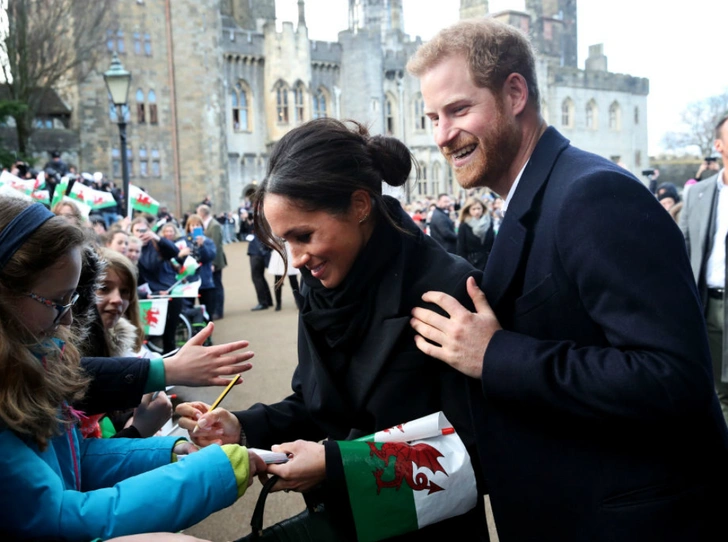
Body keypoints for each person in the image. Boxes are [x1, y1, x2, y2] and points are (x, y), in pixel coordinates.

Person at [406, 18, 728, 541]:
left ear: (515, 93)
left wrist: (495, 355)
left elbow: (674, 379)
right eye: (432, 117)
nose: (442, 135)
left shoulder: (593, 195)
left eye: (459, 109)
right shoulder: (534, 195)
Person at [176, 118, 488, 540]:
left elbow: (475, 453)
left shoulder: (448, 288)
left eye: (303, 235)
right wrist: (243, 426)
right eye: (285, 241)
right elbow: (317, 402)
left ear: (360, 206)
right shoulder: (321, 283)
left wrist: (334, 464)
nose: (296, 258)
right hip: (342, 517)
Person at [0, 198, 265, 540]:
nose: (67, 318)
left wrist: (170, 453)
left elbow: (76, 460)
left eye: (72, 301)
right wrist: (214, 472)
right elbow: (58, 519)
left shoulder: (32, 357)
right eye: (56, 301)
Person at [679, 114, 728, 426]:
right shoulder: (697, 194)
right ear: (719, 145)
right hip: (709, 306)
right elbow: (682, 252)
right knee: (718, 392)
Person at [182, 214, 217, 315]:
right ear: (188, 227)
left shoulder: (208, 241)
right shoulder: (183, 241)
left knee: (208, 310)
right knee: (188, 310)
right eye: (192, 225)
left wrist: (202, 246)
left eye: (198, 225)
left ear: (202, 226)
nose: (195, 227)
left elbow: (210, 256)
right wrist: (181, 254)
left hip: (205, 280)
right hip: (188, 281)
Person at [197, 204, 227, 320]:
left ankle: (218, 311)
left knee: (217, 286)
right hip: (211, 261)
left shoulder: (214, 225)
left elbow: (216, 245)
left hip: (215, 262)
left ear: (202, 213)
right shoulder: (208, 224)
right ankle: (214, 309)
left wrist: (213, 263)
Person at [456, 196, 495, 271]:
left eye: (479, 208)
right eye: (473, 209)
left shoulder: (489, 222)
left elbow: (493, 243)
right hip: (472, 263)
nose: (477, 211)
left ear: (482, 209)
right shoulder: (464, 225)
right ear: (468, 210)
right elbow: (460, 247)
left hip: (489, 263)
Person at [265, 239, 300, 311]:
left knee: (293, 281)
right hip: (278, 255)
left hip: (290, 254)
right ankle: (278, 303)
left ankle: (298, 301)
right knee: (278, 282)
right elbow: (270, 241)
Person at [246, 229, 274, 311]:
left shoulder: (259, 220)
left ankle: (263, 302)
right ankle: (268, 300)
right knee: (260, 277)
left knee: (257, 278)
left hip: (257, 252)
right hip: (259, 251)